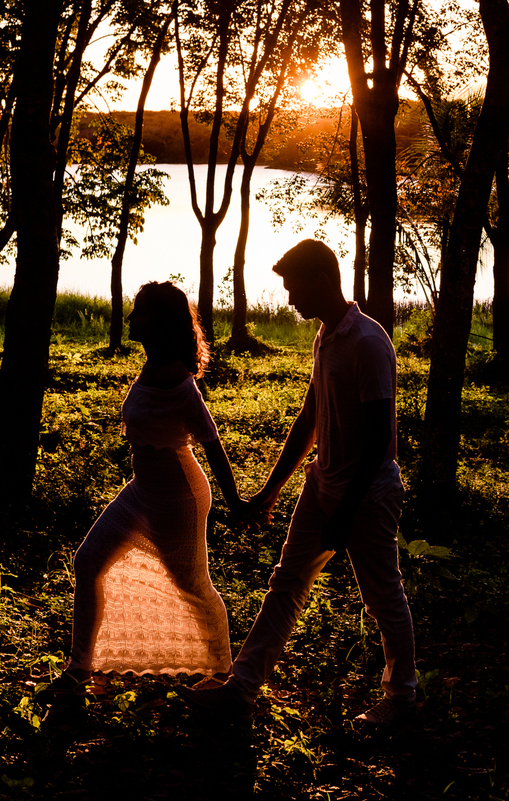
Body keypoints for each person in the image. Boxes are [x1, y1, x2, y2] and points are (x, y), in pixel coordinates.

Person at [178, 239, 416, 725]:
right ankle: (241, 690)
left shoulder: (369, 344)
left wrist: (346, 512)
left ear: (323, 281)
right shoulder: (326, 335)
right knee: (285, 583)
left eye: (294, 288)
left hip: (367, 495)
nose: (289, 300)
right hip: (322, 484)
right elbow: (310, 417)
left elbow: (378, 440)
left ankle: (402, 697)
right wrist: (271, 490)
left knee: (382, 595)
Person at [48, 281, 245, 695]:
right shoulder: (152, 364)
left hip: (178, 498)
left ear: (160, 322)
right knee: (87, 563)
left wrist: (237, 504)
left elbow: (212, 443)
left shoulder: (179, 381)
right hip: (143, 489)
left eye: (140, 311)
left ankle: (226, 674)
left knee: (193, 586)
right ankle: (78, 671)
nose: (132, 317)